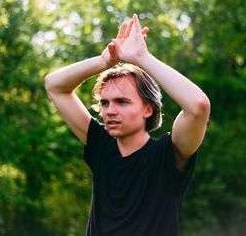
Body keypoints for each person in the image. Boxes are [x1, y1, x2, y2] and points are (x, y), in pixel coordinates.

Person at [44, 14, 210, 236]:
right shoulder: (101, 146)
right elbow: (54, 85)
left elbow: (198, 106)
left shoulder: (168, 154)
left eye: (122, 102)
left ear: (148, 109)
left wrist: (142, 58)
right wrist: (104, 62)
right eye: (105, 102)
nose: (110, 110)